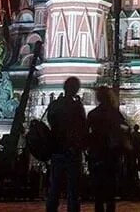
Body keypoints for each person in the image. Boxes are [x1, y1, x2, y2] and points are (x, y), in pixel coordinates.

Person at [45, 77, 87, 212]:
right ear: (76, 90)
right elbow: (82, 127)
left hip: (57, 149)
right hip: (72, 151)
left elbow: (50, 121)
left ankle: (51, 209)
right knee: (73, 189)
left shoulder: (55, 105)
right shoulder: (76, 106)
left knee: (54, 187)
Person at [86, 86, 130, 212]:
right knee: (110, 192)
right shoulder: (114, 113)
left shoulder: (93, 114)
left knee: (98, 193)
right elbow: (125, 128)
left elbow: (86, 133)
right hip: (111, 154)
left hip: (96, 155)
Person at [129, 125, 140, 198]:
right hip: (137, 153)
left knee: (134, 168)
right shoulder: (139, 135)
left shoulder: (132, 135)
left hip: (133, 153)